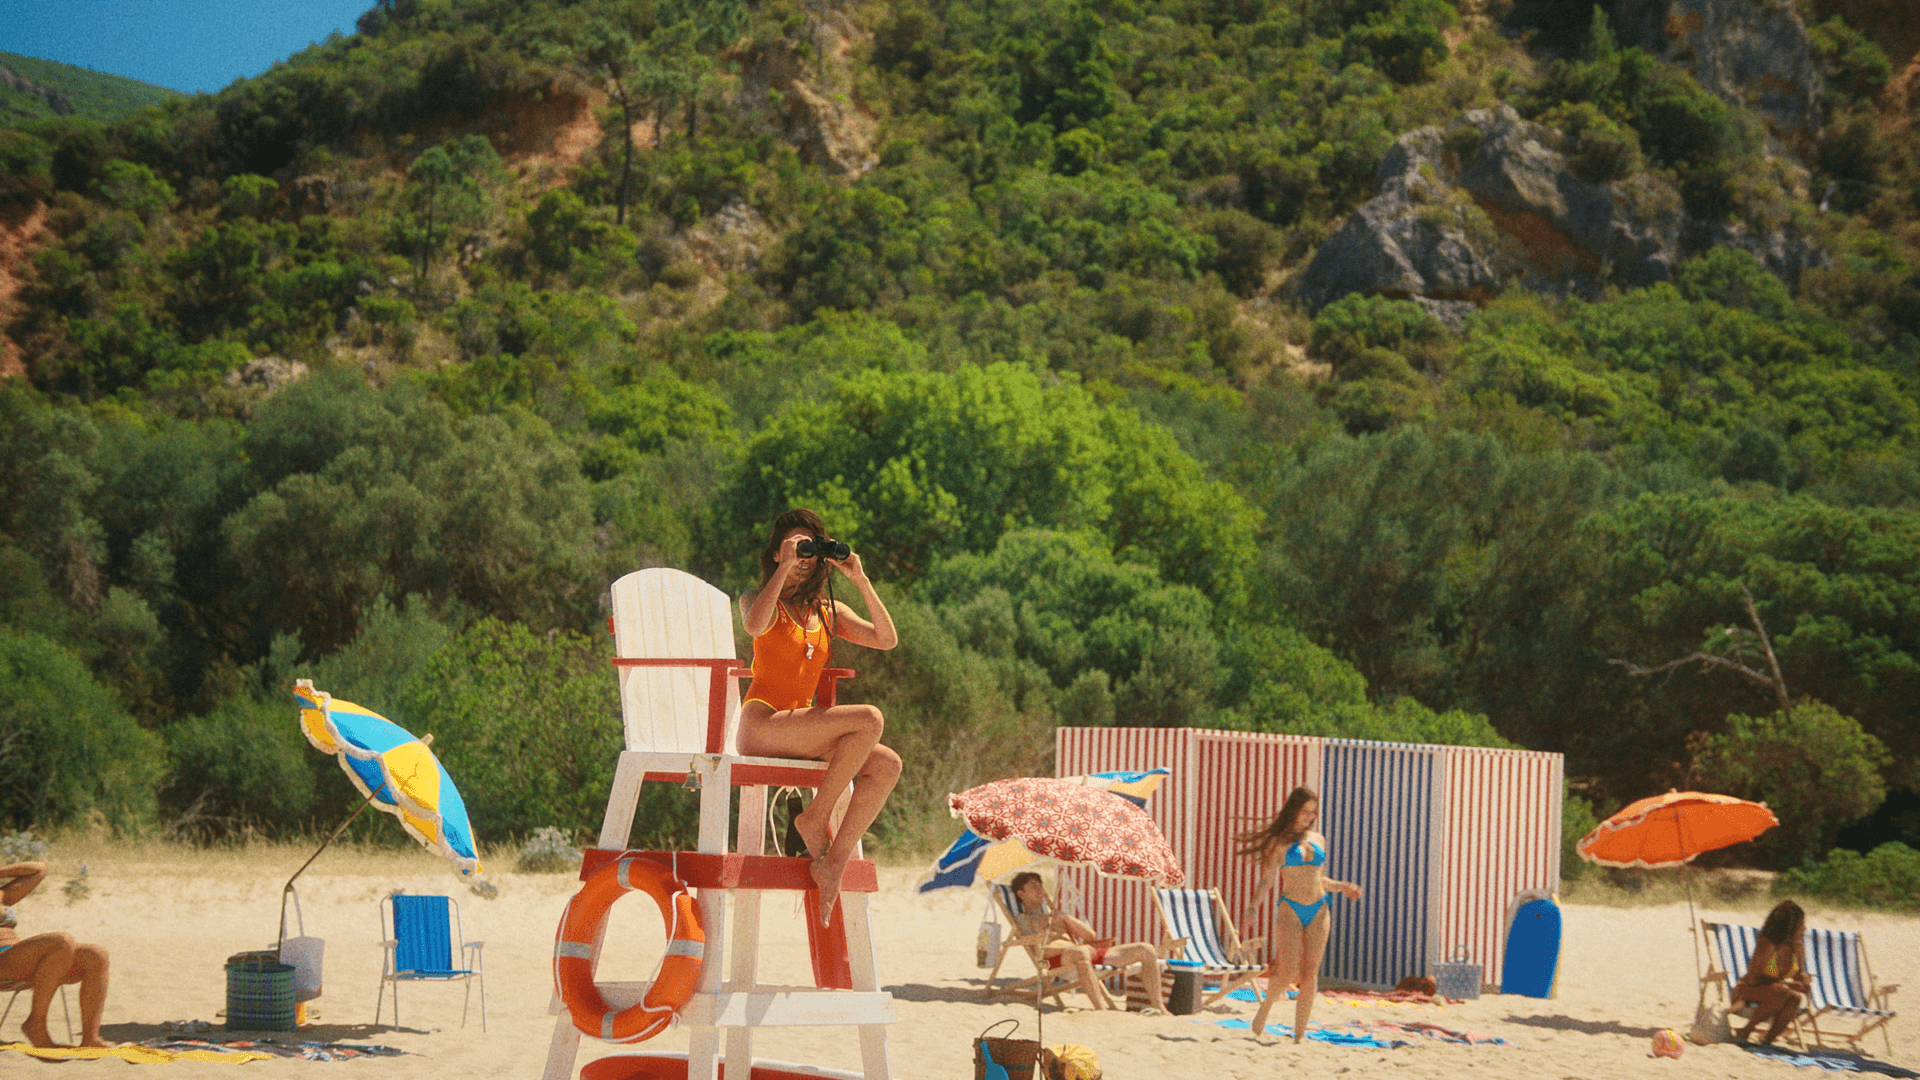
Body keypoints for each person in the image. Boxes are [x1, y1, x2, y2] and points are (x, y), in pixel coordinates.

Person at [739, 508, 901, 924]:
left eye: (810, 548)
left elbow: (886, 639)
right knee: (869, 718)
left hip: (801, 728)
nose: (804, 557)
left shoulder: (829, 611)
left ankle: (834, 861)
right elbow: (755, 627)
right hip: (763, 725)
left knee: (886, 765)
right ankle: (815, 817)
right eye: (795, 547)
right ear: (775, 554)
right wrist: (785, 568)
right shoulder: (757, 601)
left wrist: (859, 578)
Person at [1241, 786, 1363, 1042]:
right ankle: (1265, 1008)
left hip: (1319, 908)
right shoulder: (1278, 842)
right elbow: (1266, 880)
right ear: (1294, 810)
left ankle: (1299, 1036)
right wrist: (1252, 908)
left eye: (1313, 812)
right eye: (1305, 811)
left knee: (1311, 973)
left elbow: (1320, 879)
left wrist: (1343, 887)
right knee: (1287, 972)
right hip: (1291, 910)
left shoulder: (1319, 839)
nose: (1309, 816)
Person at [1007, 871, 1167, 1014]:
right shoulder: (1022, 918)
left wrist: (1067, 918)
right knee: (1082, 951)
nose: (1040, 890)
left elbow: (1090, 935)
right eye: (1034, 887)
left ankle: (1159, 1007)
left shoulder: (1056, 915)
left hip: (1081, 955)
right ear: (1021, 894)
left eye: (1041, 886)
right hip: (1053, 962)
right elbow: (1039, 947)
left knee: (1146, 949)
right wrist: (1053, 925)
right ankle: (1101, 1010)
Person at [0, 860, 111, 1048]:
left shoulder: (3, 894)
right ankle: (35, 1024)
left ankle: (90, 1038)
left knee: (96, 955)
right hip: (3, 965)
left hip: (19, 961)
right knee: (61, 941)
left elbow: (39, 868)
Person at [1733, 900, 1810, 1045]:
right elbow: (1754, 978)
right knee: (1782, 991)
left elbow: (1798, 975)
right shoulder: (1767, 945)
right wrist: (1785, 985)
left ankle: (1768, 1040)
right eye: (1801, 924)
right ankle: (1746, 1030)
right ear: (1790, 927)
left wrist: (1803, 981)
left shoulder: (1798, 948)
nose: (1804, 928)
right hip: (1746, 992)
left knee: (1795, 998)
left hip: (1777, 993)